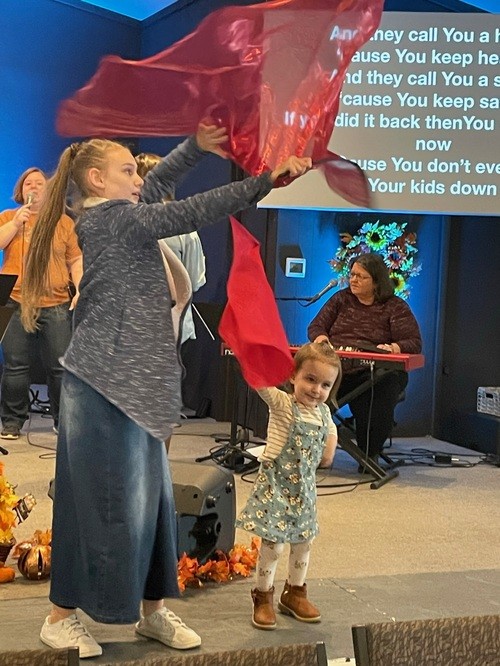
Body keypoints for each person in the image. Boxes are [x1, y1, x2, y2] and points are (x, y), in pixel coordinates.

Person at [23, 122, 310, 658]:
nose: (139, 178)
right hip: (102, 386)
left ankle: (152, 611)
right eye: (127, 170)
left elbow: (157, 188)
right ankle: (59, 617)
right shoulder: (114, 221)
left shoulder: (115, 215)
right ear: (96, 180)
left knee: (153, 500)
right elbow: (190, 210)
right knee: (96, 501)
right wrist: (264, 181)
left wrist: (194, 148)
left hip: (136, 386)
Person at [235, 342, 342, 630]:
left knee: (303, 543)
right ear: (293, 376)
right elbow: (259, 383)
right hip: (277, 489)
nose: (316, 389)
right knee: (274, 546)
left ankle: (295, 593)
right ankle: (263, 596)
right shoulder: (283, 403)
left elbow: (330, 437)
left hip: (304, 493)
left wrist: (330, 449)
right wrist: (251, 354)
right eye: (310, 379)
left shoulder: (324, 413)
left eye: (325, 385)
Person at [307, 252, 422, 463]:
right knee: (303, 383)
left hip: (374, 374)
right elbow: (316, 326)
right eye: (352, 275)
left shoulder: (394, 306)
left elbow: (413, 342)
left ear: (376, 281)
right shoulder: (341, 299)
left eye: (361, 276)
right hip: (336, 370)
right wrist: (321, 338)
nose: (353, 280)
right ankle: (305, 449)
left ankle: (369, 455)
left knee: (383, 386)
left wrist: (393, 347)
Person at [0, 167, 82, 440]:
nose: (33, 188)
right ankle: (12, 422)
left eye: (39, 183)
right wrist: (16, 224)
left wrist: (80, 288)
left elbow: (75, 260)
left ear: (49, 191)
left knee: (59, 365)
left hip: (55, 301)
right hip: (14, 300)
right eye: (28, 184)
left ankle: (63, 420)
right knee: (15, 365)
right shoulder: (9, 217)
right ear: (20, 192)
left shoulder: (63, 222)